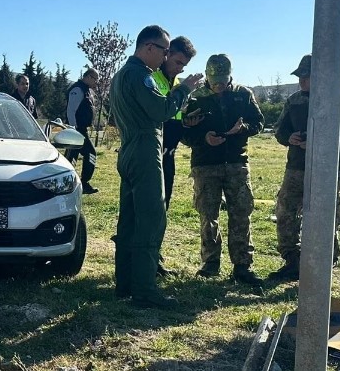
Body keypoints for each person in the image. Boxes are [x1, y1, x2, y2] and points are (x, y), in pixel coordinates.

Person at [109, 25, 202, 309]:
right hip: (145, 148)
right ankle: (145, 289)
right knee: (151, 220)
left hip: (128, 148)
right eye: (163, 50)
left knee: (129, 220)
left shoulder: (121, 75)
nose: (165, 57)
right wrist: (184, 90)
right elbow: (161, 111)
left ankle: (125, 282)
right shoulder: (142, 76)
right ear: (149, 47)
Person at [269, 54, 340, 282]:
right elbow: (279, 129)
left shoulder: (337, 97)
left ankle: (326, 263)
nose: (301, 81)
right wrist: (288, 137)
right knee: (285, 211)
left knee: (327, 215)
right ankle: (292, 261)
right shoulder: (295, 100)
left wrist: (319, 141)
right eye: (299, 76)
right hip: (297, 167)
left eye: (306, 76)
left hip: (328, 168)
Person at [181, 54, 265, 286]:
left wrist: (243, 129)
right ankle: (210, 263)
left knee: (241, 213)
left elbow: (259, 122)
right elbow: (183, 131)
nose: (218, 86)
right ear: (207, 77)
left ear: (230, 76)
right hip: (205, 164)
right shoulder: (195, 98)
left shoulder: (243, 94)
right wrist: (203, 138)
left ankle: (242, 265)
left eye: (222, 81)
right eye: (214, 80)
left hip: (237, 163)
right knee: (208, 215)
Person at [150, 36, 197, 278]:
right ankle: (146, 261)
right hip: (152, 155)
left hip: (168, 156)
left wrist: (188, 124)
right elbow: (160, 113)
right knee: (151, 210)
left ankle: (154, 258)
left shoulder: (175, 82)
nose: (179, 69)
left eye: (183, 66)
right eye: (177, 62)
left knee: (163, 206)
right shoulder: (154, 79)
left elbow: (174, 118)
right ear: (167, 54)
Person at [66, 68, 101, 194]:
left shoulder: (87, 90)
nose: (96, 82)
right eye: (95, 78)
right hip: (77, 129)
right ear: (88, 77)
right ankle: (83, 183)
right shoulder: (78, 89)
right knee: (90, 153)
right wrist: (73, 129)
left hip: (81, 129)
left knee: (73, 155)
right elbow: (71, 111)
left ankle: (68, 181)